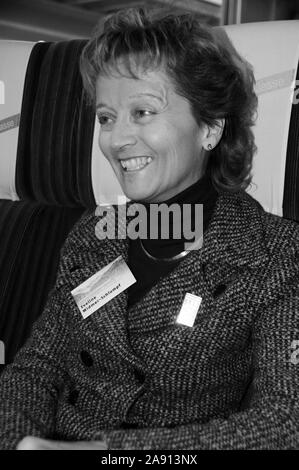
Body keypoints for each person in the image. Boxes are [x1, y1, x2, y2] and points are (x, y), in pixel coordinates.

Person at [0, 7, 299, 450]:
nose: (116, 140)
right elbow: (38, 366)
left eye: (142, 111)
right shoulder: (97, 231)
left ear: (210, 128)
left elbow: (285, 423)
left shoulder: (274, 253)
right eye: (105, 117)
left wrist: (106, 454)